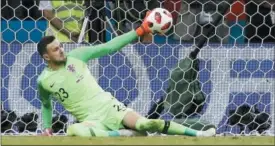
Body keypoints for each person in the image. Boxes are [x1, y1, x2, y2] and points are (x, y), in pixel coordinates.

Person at [37, 11, 216, 137]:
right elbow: (46, 105)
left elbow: (110, 46)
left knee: (146, 124)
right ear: (46, 56)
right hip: (92, 121)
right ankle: (122, 134)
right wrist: (47, 127)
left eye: (60, 46)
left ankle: (200, 133)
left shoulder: (76, 56)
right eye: (56, 50)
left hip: (110, 108)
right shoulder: (44, 81)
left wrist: (140, 30)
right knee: (73, 131)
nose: (61, 50)